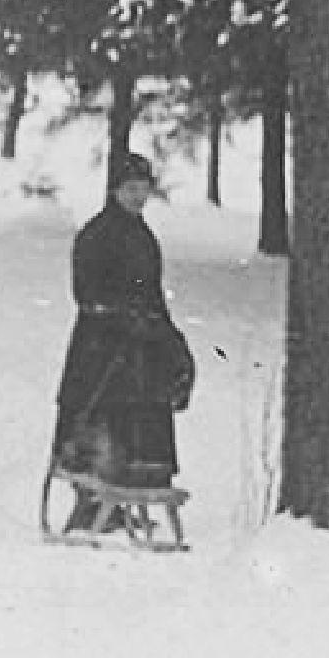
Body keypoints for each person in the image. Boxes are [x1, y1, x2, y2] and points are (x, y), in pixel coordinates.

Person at [52, 151, 194, 531]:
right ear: (115, 189)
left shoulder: (144, 236)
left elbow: (152, 293)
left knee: (140, 416)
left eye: (143, 189)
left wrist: (170, 337)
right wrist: (123, 317)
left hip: (140, 347)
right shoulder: (96, 234)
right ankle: (91, 501)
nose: (137, 196)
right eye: (130, 188)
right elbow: (87, 293)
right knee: (101, 416)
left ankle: (125, 492)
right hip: (101, 347)